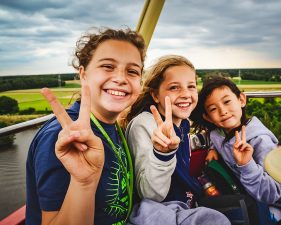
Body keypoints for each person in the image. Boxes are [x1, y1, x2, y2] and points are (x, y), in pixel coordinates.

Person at [26, 27, 146, 225]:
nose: (121, 78)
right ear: (83, 74)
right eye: (108, 66)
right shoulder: (62, 136)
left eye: (132, 71)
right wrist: (84, 182)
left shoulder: (115, 128)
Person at [125, 55, 231, 224]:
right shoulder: (145, 124)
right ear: (155, 95)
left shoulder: (183, 123)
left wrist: (211, 148)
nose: (186, 94)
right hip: (163, 211)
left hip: (186, 201)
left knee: (245, 205)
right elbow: (151, 195)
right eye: (174, 87)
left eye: (191, 86)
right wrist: (162, 154)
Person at [190, 76, 281, 222]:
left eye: (227, 101)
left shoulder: (260, 140)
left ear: (241, 100)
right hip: (261, 200)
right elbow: (215, 137)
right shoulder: (217, 134)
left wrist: (246, 164)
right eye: (213, 109)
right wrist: (212, 149)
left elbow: (272, 193)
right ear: (208, 117)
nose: (223, 111)